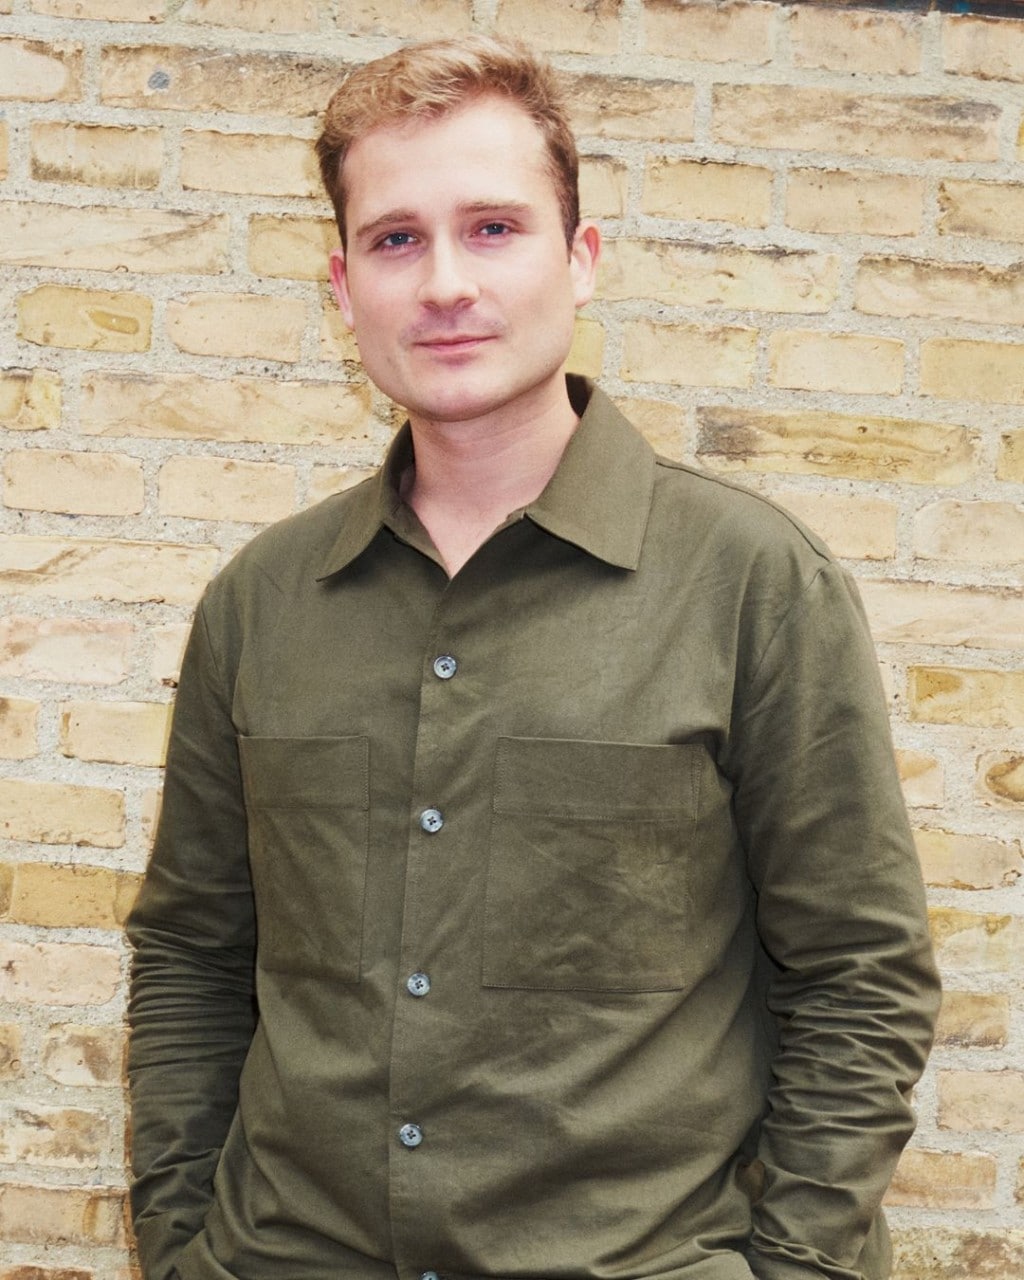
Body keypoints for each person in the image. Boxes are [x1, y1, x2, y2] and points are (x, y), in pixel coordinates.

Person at [126, 34, 940, 1280]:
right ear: (342, 289)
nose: (444, 281)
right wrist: (182, 1244)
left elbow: (859, 976)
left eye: (494, 227)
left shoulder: (750, 583)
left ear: (582, 257)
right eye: (397, 239)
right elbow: (192, 952)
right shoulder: (261, 601)